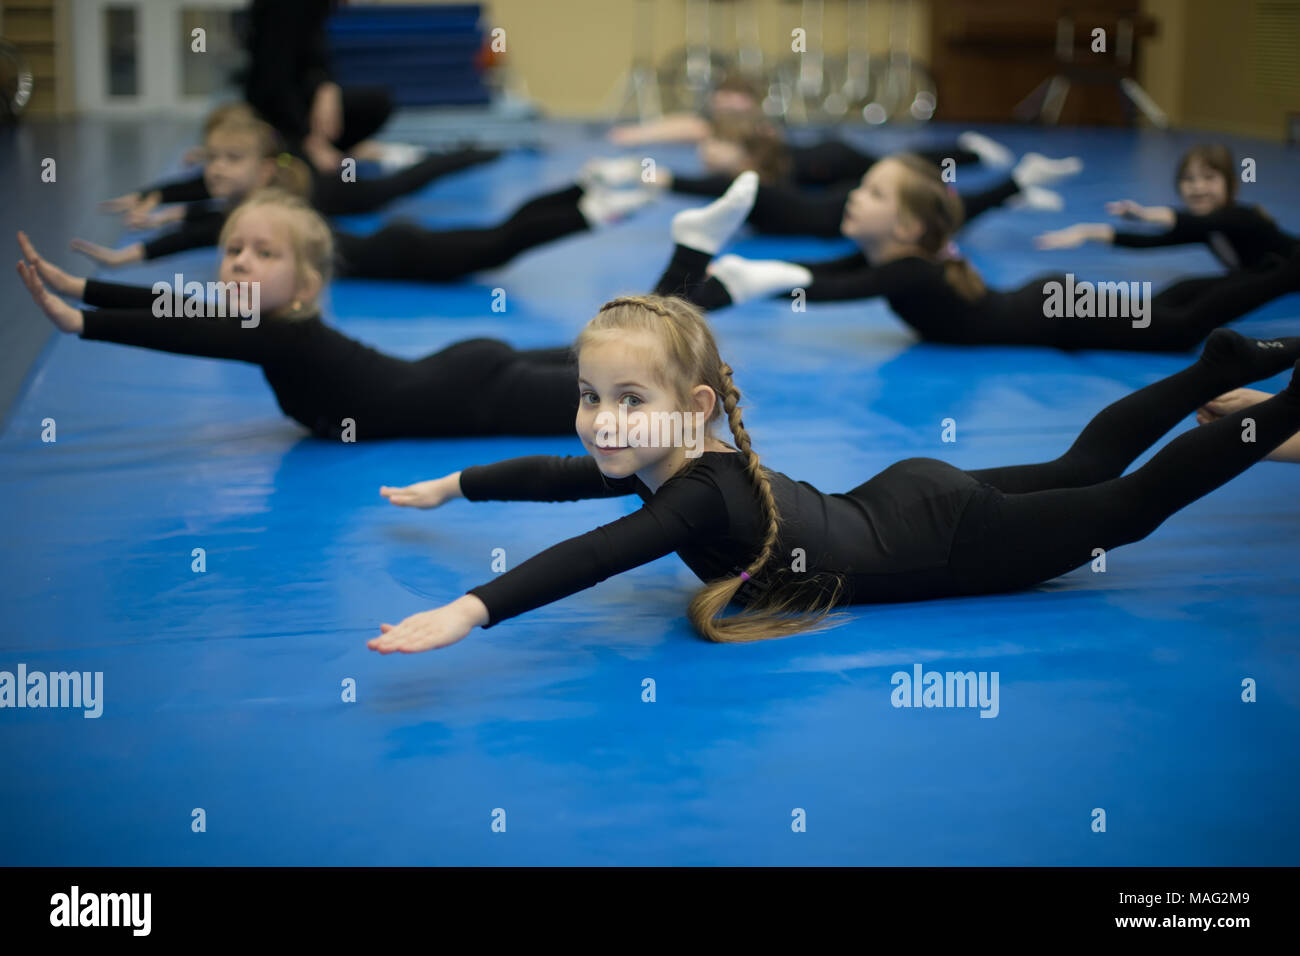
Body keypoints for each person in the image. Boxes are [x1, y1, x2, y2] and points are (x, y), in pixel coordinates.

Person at [369, 291, 1300, 653]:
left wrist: (468, 609)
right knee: (1084, 465)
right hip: (904, 496)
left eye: (627, 399)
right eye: (589, 396)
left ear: (692, 408)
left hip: (942, 535)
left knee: (1130, 503)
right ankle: (1213, 369)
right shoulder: (674, 458)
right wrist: (457, 484)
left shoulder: (693, 493)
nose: (602, 422)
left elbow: (596, 553)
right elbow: (559, 476)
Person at [15, 192, 579, 440]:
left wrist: (86, 322)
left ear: (305, 285)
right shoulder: (271, 328)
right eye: (233, 249)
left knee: (641, 403)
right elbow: (184, 310)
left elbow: (189, 333)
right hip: (463, 374)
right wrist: (85, 288)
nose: (239, 262)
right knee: (615, 366)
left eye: (264, 254)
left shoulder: (283, 336)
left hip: (480, 396)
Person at [651, 166, 1300, 353]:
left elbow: (829, 290)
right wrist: (701, 290)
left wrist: (756, 282)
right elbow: (821, 276)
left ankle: (1287, 271)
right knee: (1174, 310)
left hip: (1059, 309)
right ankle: (1276, 273)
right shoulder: (899, 257)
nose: (853, 196)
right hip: (1052, 302)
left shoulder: (912, 268)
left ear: (906, 224)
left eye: (871, 192)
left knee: (1184, 327)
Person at [69, 114, 654, 282]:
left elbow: (203, 225)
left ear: (264, 169)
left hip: (407, 259)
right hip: (398, 248)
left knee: (501, 243)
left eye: (230, 161)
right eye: (213, 160)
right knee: (500, 235)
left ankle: (591, 209)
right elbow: (202, 211)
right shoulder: (258, 203)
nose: (217, 172)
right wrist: (162, 208)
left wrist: (130, 258)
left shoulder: (260, 208)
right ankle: (585, 189)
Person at [1035, 144, 1298, 271]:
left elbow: (1188, 221)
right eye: (1189, 179)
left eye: (1209, 178)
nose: (1197, 187)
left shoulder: (1245, 218)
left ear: (1231, 185)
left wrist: (1143, 214)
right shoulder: (1204, 230)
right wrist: (1085, 232)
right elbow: (1147, 242)